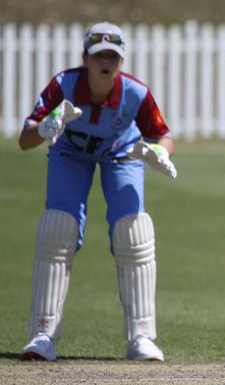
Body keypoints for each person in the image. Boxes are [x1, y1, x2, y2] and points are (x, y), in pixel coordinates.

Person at [18, 21, 177, 362]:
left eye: (113, 56)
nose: (106, 63)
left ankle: (142, 337)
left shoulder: (135, 93)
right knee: (57, 228)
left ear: (121, 61)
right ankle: (42, 334)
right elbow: (24, 140)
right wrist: (45, 128)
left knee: (132, 232)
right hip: (69, 154)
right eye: (98, 55)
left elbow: (163, 135)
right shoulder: (63, 85)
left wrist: (160, 152)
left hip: (122, 154)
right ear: (85, 58)